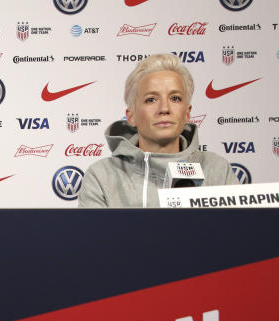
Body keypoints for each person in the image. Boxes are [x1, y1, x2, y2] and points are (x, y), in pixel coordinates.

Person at [78, 53, 239, 208]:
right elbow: (95, 236)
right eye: (151, 99)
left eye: (175, 98)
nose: (164, 108)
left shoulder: (218, 169)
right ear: (131, 116)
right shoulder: (101, 176)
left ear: (187, 113)